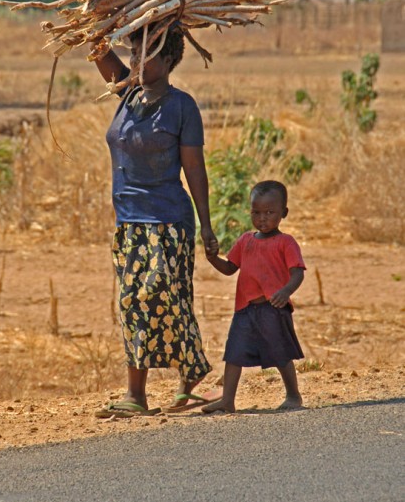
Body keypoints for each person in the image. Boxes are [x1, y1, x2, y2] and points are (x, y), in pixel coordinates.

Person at [93, 24, 219, 418]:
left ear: (168, 60)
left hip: (168, 220)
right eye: (133, 53)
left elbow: (194, 170)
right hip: (128, 221)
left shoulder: (182, 106)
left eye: (145, 54)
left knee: (165, 295)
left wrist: (207, 227)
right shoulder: (127, 94)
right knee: (133, 301)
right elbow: (99, 50)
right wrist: (97, 24)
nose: (135, 61)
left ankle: (188, 378)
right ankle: (138, 395)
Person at [202, 180, 305, 414]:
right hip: (245, 309)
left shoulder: (285, 242)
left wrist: (285, 291)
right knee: (234, 353)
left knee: (281, 352)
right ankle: (228, 400)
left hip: (273, 307)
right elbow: (230, 268)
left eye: (270, 212)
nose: (262, 218)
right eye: (256, 212)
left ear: (284, 213)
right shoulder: (245, 240)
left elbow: (297, 273)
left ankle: (293, 395)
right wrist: (212, 258)